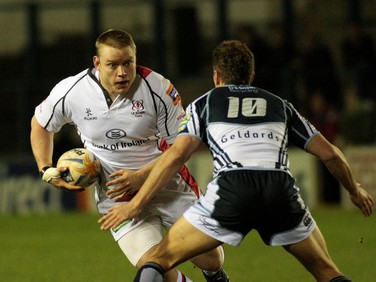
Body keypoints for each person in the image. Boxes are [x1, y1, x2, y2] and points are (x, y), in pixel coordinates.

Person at [98, 40, 374, 282]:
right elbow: (331, 154)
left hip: (233, 190)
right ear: (251, 76)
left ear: (216, 76)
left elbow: (176, 155)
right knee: (328, 272)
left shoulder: (205, 103)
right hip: (280, 192)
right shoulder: (280, 105)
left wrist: (135, 204)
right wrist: (354, 190)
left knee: (157, 260)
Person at [30, 29, 229, 282]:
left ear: (136, 58)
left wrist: (142, 176)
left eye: (128, 63)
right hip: (118, 197)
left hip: (169, 187)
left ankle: (216, 276)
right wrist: (45, 168)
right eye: (113, 65)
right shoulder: (72, 91)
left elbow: (181, 149)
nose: (122, 72)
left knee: (211, 259)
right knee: (155, 270)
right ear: (97, 63)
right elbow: (40, 124)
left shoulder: (159, 89)